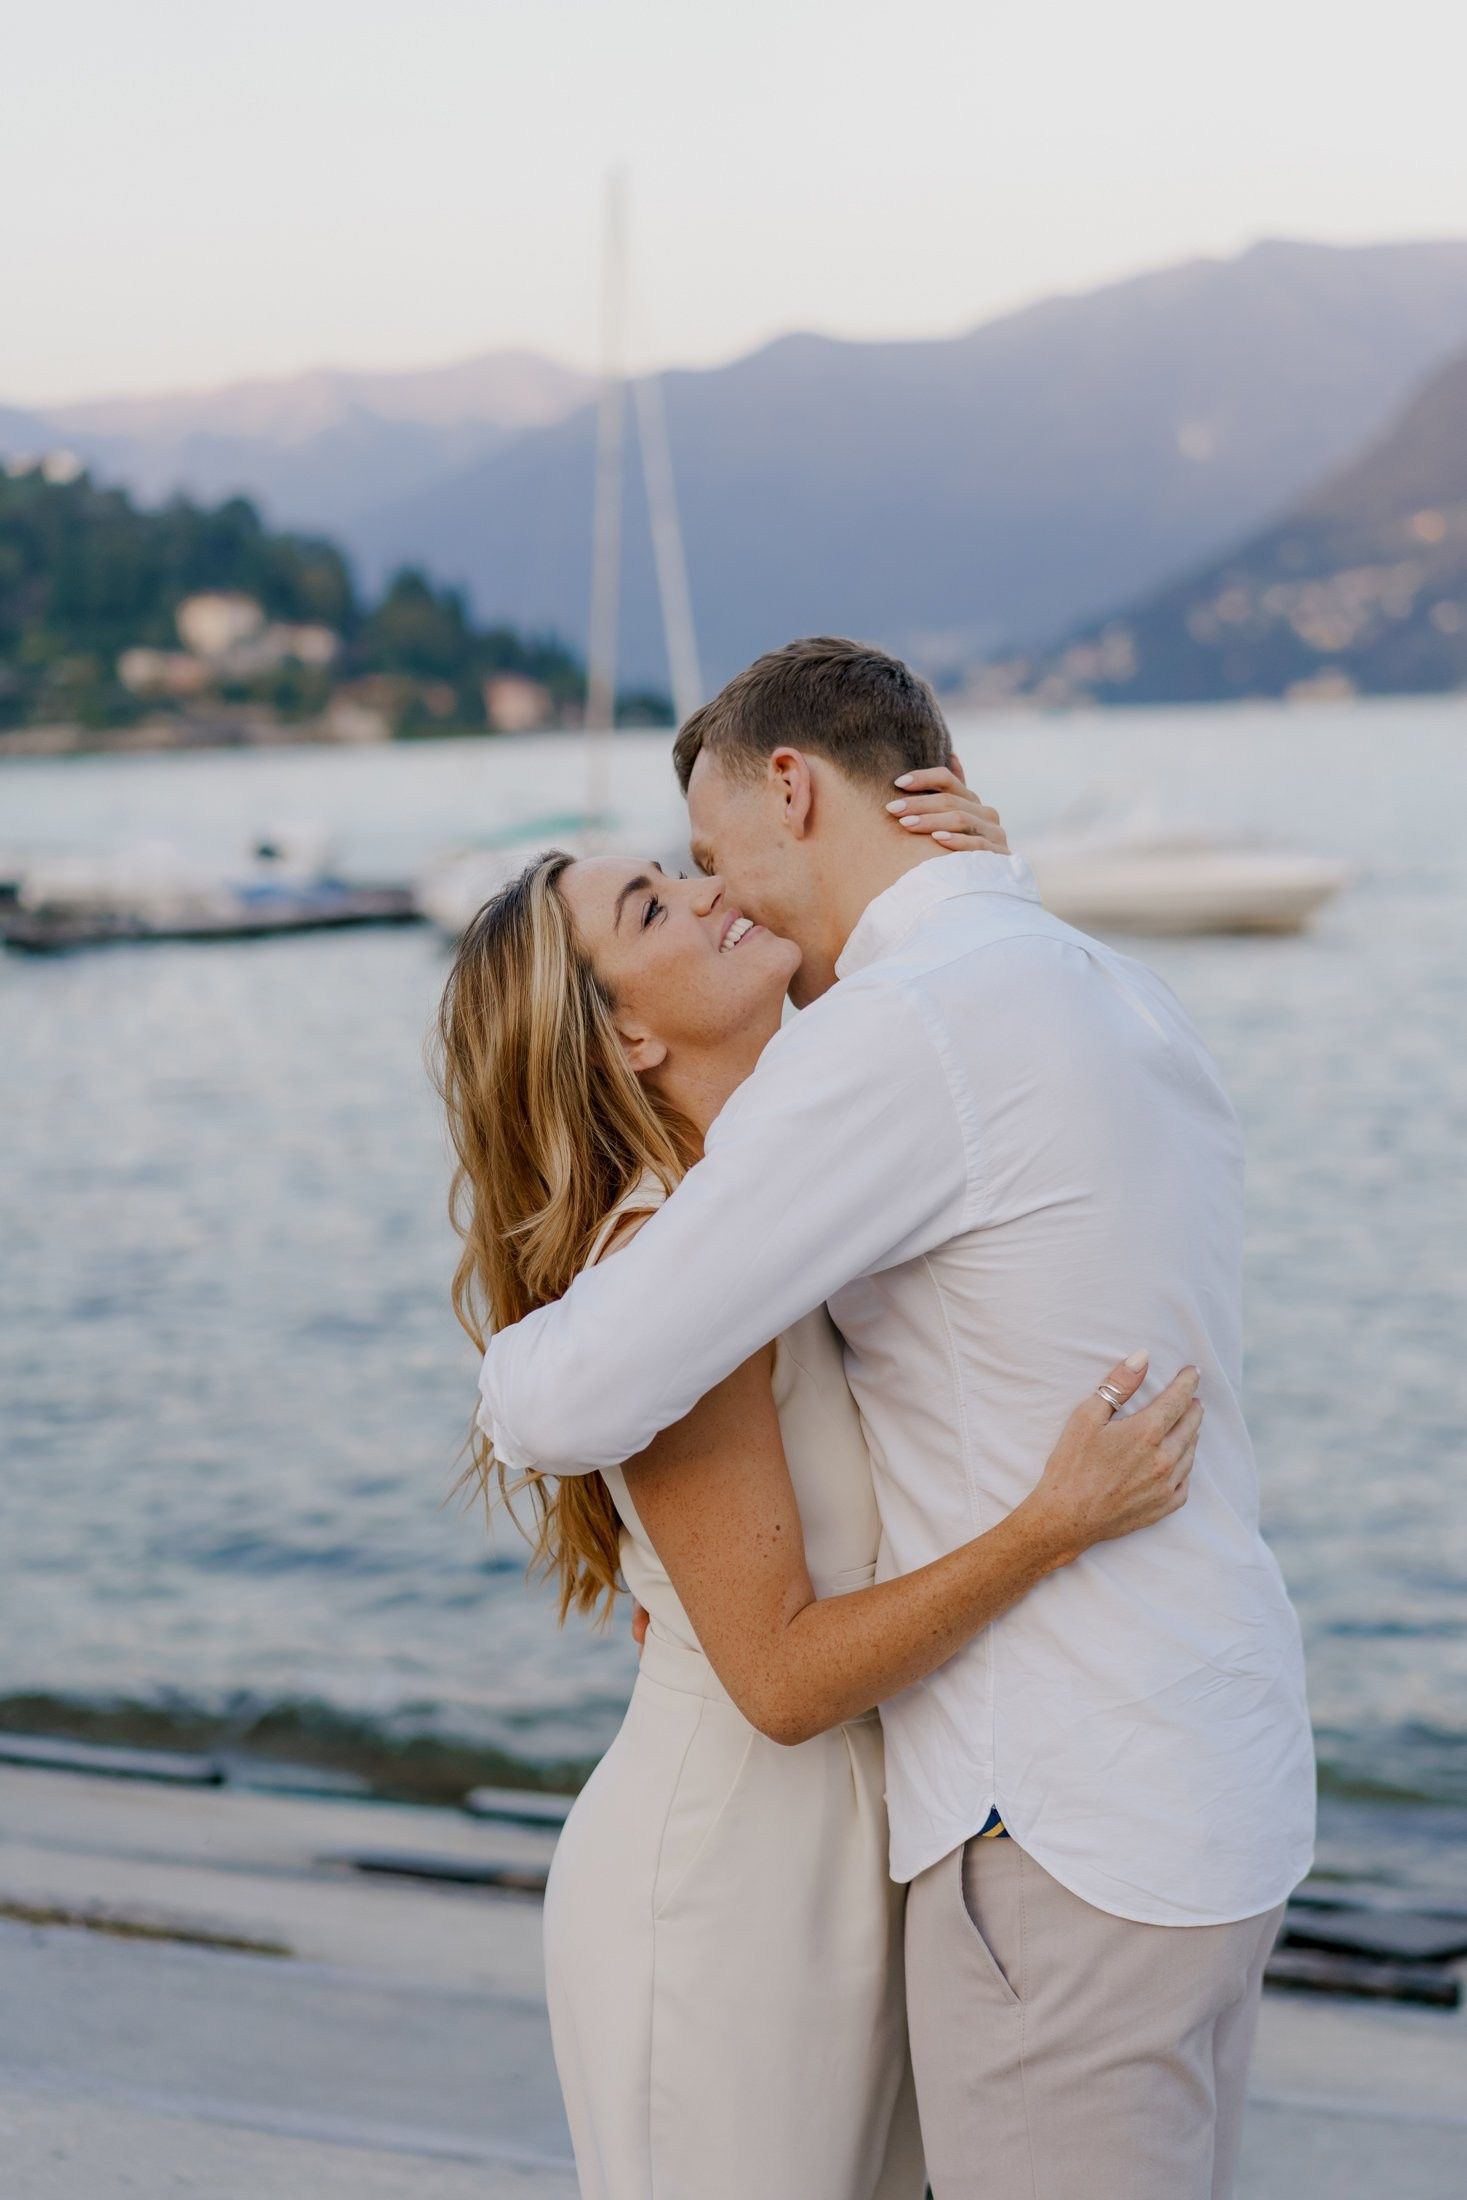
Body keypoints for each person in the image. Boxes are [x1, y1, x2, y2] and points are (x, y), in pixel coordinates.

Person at [476, 638, 1317, 2200]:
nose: (718, 895)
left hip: (1048, 1812)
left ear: (792, 788)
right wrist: (984, 895)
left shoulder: (897, 1049)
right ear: (622, 1035)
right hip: (1163, 1789)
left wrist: (504, 1392)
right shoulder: (1097, 989)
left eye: (704, 856)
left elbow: (565, 1396)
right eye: (667, 895)